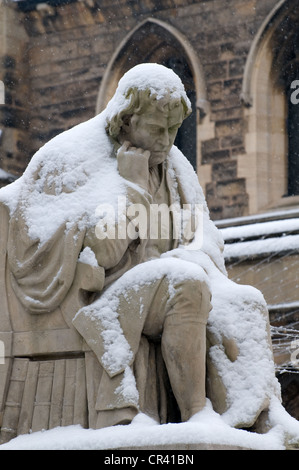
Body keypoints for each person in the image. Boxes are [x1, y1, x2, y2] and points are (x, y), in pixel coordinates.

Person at [1, 63, 293, 437]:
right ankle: (196, 417)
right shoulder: (71, 160)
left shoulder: (174, 167)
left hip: (165, 280)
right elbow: (98, 256)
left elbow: (202, 233)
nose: (166, 141)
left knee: (246, 299)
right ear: (125, 120)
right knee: (185, 285)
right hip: (101, 300)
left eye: (174, 130)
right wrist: (133, 188)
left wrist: (193, 253)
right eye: (156, 129)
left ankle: (258, 416)